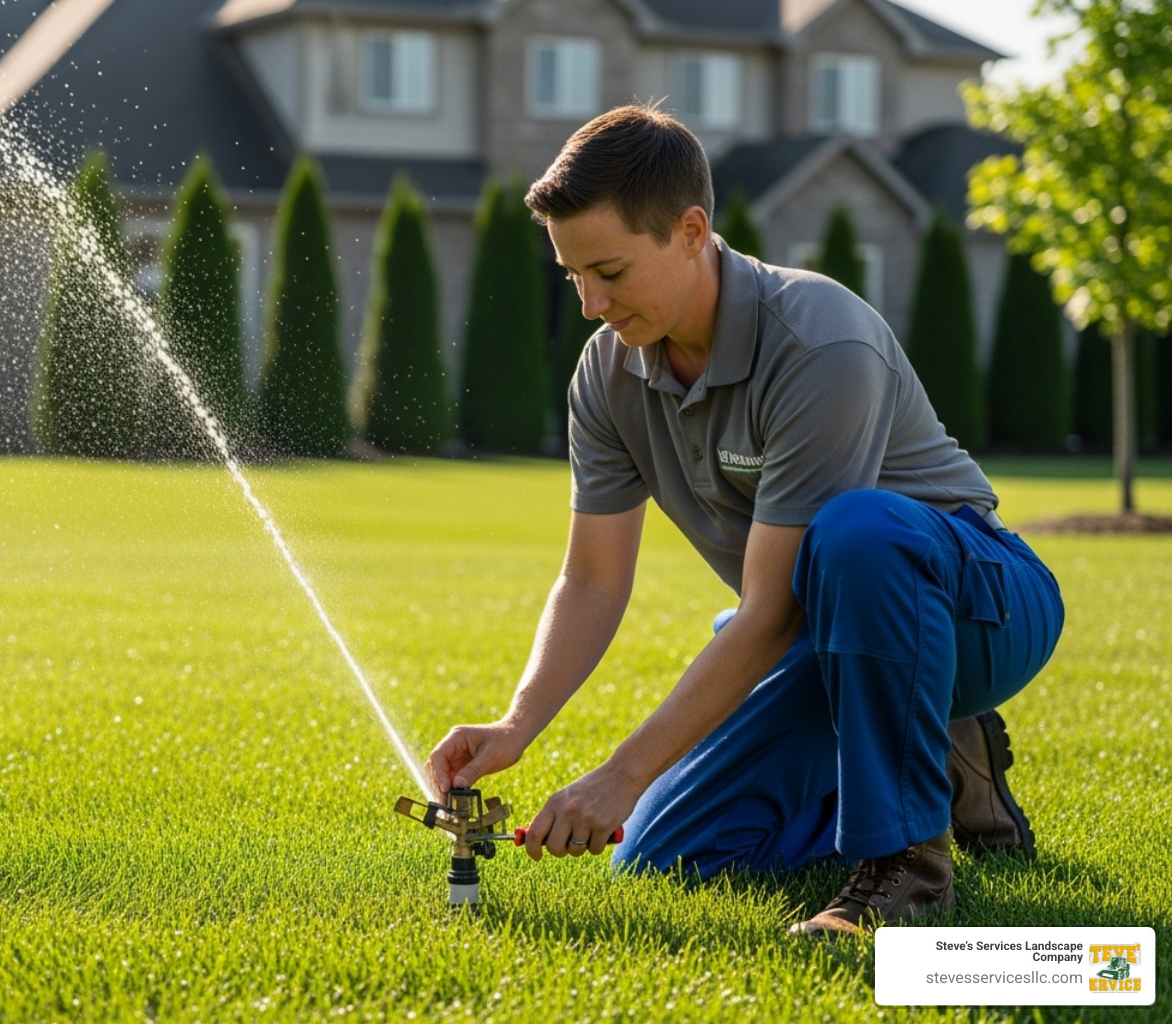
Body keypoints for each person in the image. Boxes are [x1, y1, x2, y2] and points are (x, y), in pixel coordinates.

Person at [426, 105, 1065, 936]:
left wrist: (619, 774)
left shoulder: (819, 340)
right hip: (820, 630)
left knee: (857, 533)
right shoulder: (608, 374)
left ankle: (906, 867)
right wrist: (518, 725)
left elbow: (766, 612)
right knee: (668, 855)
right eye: (573, 276)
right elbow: (591, 576)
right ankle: (935, 760)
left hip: (977, 604)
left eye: (610, 272)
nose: (589, 304)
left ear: (691, 231)